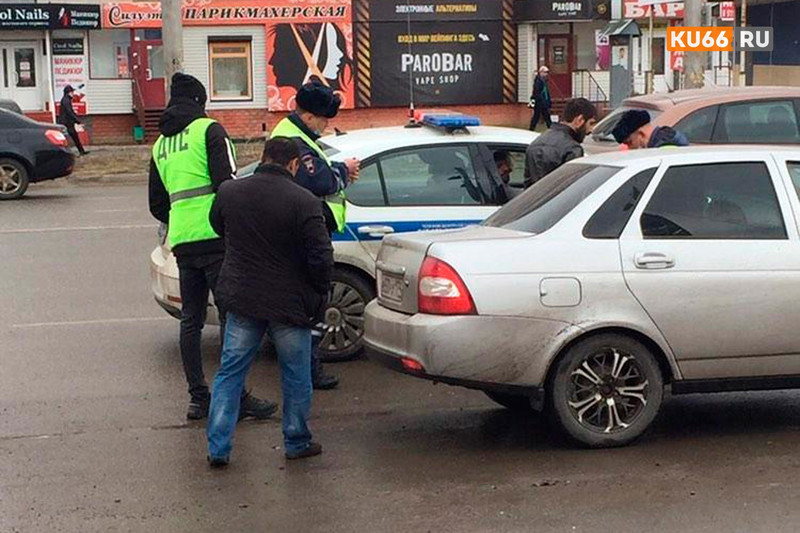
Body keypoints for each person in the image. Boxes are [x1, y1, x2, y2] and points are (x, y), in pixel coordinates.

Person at [148, 72, 276, 421]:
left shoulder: (160, 144)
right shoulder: (210, 130)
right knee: (232, 317)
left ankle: (198, 398)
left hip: (184, 242)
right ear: (200, 102)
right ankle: (236, 395)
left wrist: (182, 219)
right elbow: (228, 187)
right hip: (218, 240)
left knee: (191, 320)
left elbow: (157, 204)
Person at [206, 137, 334, 467]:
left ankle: (218, 447)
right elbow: (321, 256)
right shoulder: (305, 201)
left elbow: (217, 225)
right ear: (293, 164)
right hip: (290, 304)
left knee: (230, 372)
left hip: (243, 297)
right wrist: (319, 292)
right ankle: (296, 440)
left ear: (263, 157)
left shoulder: (230, 192)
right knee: (295, 373)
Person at [269, 79, 360, 390]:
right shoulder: (292, 139)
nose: (325, 125)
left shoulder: (294, 133)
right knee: (311, 306)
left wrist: (335, 171)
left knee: (310, 306)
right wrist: (344, 172)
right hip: (305, 236)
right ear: (309, 117)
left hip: (302, 231)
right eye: (323, 119)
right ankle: (307, 373)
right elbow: (317, 182)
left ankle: (308, 370)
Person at [524, 98, 598, 188]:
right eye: (591, 123)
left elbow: (527, 186)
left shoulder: (535, 143)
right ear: (579, 120)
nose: (591, 130)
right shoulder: (572, 149)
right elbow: (573, 188)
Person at [611, 109, 689, 149]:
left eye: (629, 142)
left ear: (641, 134)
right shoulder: (667, 139)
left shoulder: (662, 150)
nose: (629, 148)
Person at [58, 85, 87, 155]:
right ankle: (80, 151)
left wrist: (76, 120)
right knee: (69, 137)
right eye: (72, 92)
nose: (73, 93)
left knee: (74, 136)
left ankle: (81, 151)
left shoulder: (66, 99)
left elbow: (70, 112)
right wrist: (78, 121)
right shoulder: (66, 100)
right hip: (66, 122)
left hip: (67, 122)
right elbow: (69, 112)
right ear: (68, 93)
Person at [529, 66, 552, 131]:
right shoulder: (538, 81)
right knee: (538, 116)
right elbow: (537, 93)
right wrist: (542, 101)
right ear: (541, 72)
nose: (546, 74)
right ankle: (531, 129)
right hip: (539, 103)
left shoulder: (543, 81)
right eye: (545, 72)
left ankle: (532, 129)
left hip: (543, 102)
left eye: (547, 72)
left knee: (545, 116)